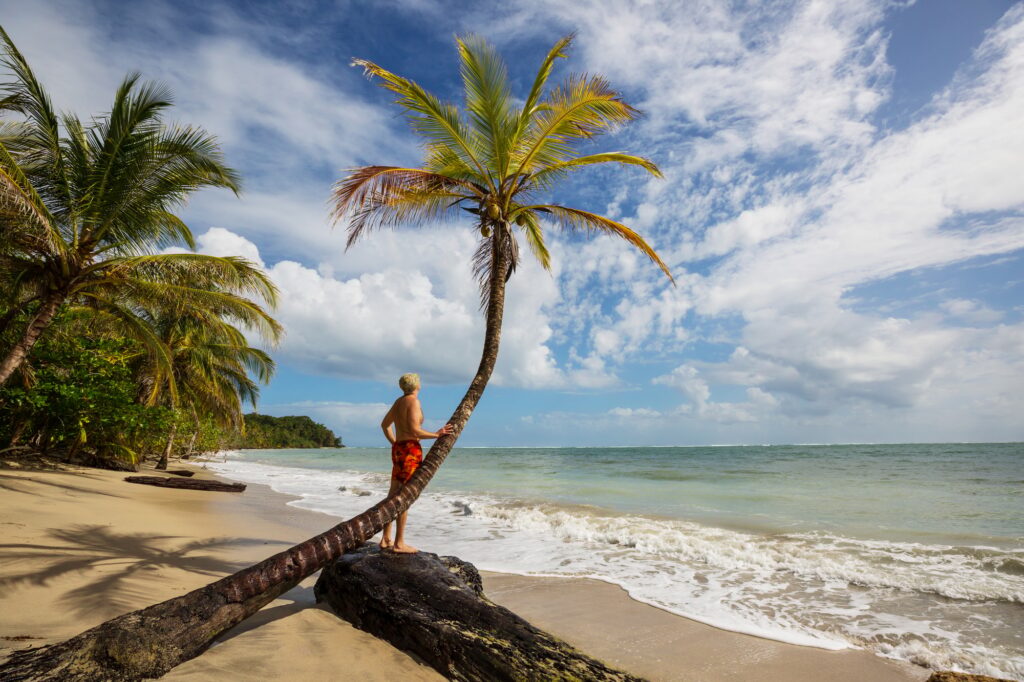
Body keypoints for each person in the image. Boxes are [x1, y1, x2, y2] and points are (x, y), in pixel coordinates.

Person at [379, 372, 452, 553]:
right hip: (410, 450)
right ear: (417, 385)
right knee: (405, 496)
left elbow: (384, 425)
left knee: (392, 494)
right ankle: (399, 543)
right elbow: (414, 430)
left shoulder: (398, 402)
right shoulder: (413, 401)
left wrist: (395, 442)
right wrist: (437, 434)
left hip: (399, 450)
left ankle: (385, 538)